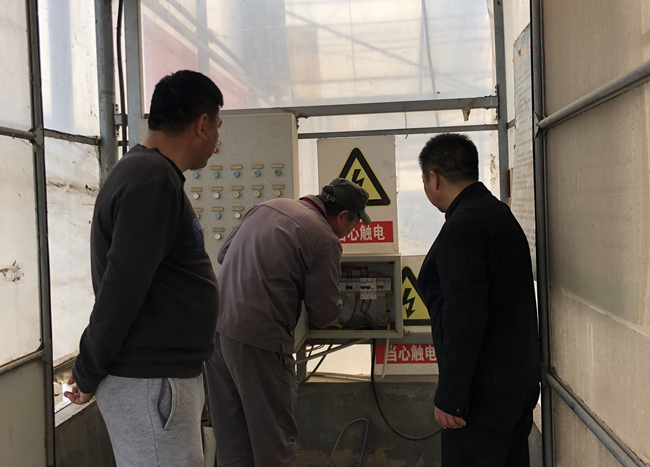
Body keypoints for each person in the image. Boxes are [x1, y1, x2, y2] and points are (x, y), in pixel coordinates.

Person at [64, 70, 223, 467]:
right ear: (202, 124)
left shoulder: (149, 175)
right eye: (218, 127)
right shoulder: (152, 181)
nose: (217, 143)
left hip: (155, 378)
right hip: (150, 381)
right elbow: (122, 288)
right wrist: (88, 368)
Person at [205, 178, 370, 467]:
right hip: (259, 341)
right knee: (275, 441)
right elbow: (324, 314)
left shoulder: (268, 206)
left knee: (232, 440)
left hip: (216, 332)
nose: (349, 233)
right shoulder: (324, 239)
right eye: (355, 225)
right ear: (343, 216)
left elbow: (223, 254)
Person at [417, 133, 541, 467]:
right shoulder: (498, 213)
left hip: (482, 395)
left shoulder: (462, 227)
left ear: (434, 178)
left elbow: (464, 318)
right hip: (517, 383)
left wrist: (452, 397)